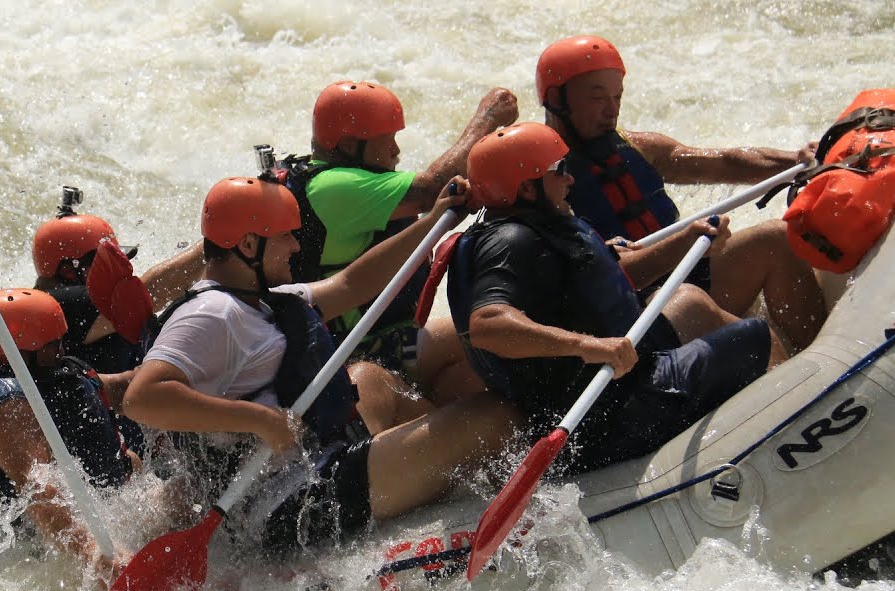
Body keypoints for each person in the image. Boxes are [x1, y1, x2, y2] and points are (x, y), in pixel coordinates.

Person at [123, 175, 519, 552]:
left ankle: (444, 469)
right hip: (294, 503)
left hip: (306, 459)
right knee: (494, 418)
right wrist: (258, 420)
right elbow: (142, 397)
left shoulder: (255, 298)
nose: (296, 246)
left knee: (370, 378)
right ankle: (455, 461)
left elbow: (351, 284)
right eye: (285, 237)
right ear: (247, 245)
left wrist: (433, 222)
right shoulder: (212, 314)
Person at [444, 123, 779, 473]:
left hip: (613, 384)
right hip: (613, 412)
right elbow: (487, 325)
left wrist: (687, 241)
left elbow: (606, 288)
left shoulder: (537, 227)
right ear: (527, 188)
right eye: (560, 171)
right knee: (756, 337)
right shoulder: (512, 241)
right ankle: (797, 424)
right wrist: (588, 346)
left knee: (693, 306)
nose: (570, 180)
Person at [537, 35, 825, 351]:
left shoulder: (639, 146)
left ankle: (821, 356)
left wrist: (796, 161)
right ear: (557, 99)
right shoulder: (538, 180)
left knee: (776, 238)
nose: (612, 110)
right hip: (630, 308)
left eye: (617, 97)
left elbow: (724, 163)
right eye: (597, 98)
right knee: (689, 301)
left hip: (684, 270)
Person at [280, 80, 519, 391]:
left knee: (475, 373)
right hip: (358, 349)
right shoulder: (334, 187)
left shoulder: (331, 180)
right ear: (351, 147)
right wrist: (488, 119)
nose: (396, 151)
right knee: (491, 334)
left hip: (377, 338)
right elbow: (432, 189)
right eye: (387, 141)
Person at [0, 287, 135, 575]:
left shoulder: (43, 382)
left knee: (177, 495)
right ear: (19, 353)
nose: (62, 351)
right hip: (23, 568)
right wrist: (94, 553)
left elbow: (122, 388)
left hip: (53, 545)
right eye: (52, 345)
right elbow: (40, 491)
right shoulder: (5, 408)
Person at [31, 185, 202, 375]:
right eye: (104, 263)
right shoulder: (62, 305)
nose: (114, 270)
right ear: (69, 271)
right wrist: (214, 246)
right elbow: (143, 296)